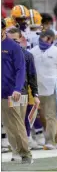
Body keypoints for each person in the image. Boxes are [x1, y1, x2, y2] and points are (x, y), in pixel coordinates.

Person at [30, 29, 57, 150]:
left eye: (45, 37)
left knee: (51, 115)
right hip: (36, 89)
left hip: (52, 87)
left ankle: (50, 141)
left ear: (51, 39)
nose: (43, 39)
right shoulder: (33, 52)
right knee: (42, 116)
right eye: (41, 37)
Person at [7, 27, 44, 151]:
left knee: (20, 121)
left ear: (21, 39)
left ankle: (23, 148)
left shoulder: (27, 55)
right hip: (4, 92)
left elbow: (32, 76)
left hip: (21, 92)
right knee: (9, 124)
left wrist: (35, 94)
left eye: (15, 40)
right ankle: (16, 148)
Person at [1, 19, 33, 164]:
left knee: (18, 123)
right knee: (8, 125)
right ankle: (16, 151)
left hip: (15, 92)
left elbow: (21, 70)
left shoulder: (13, 47)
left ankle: (26, 154)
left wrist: (17, 88)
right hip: (2, 93)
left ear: (3, 29)